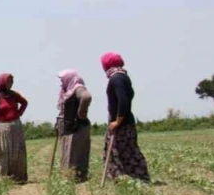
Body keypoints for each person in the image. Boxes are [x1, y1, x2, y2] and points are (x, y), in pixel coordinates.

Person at [100, 53, 150, 182]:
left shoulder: (116, 78)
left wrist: (118, 121)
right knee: (127, 151)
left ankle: (124, 179)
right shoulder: (123, 76)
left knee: (123, 152)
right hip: (126, 121)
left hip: (122, 123)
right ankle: (132, 179)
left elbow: (123, 101)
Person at [0, 73, 29, 183]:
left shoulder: (13, 95)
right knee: (3, 152)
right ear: (2, 83)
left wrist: (19, 113)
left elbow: (24, 102)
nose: (10, 84)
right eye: (8, 81)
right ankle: (1, 177)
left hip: (16, 127)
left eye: (11, 82)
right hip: (3, 128)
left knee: (17, 152)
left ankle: (18, 177)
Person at [56, 69, 93, 182]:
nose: (62, 83)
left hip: (77, 128)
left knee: (75, 153)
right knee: (69, 152)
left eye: (63, 79)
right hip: (70, 127)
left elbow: (86, 97)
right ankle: (71, 177)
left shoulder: (78, 88)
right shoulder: (68, 90)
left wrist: (82, 113)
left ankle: (76, 177)